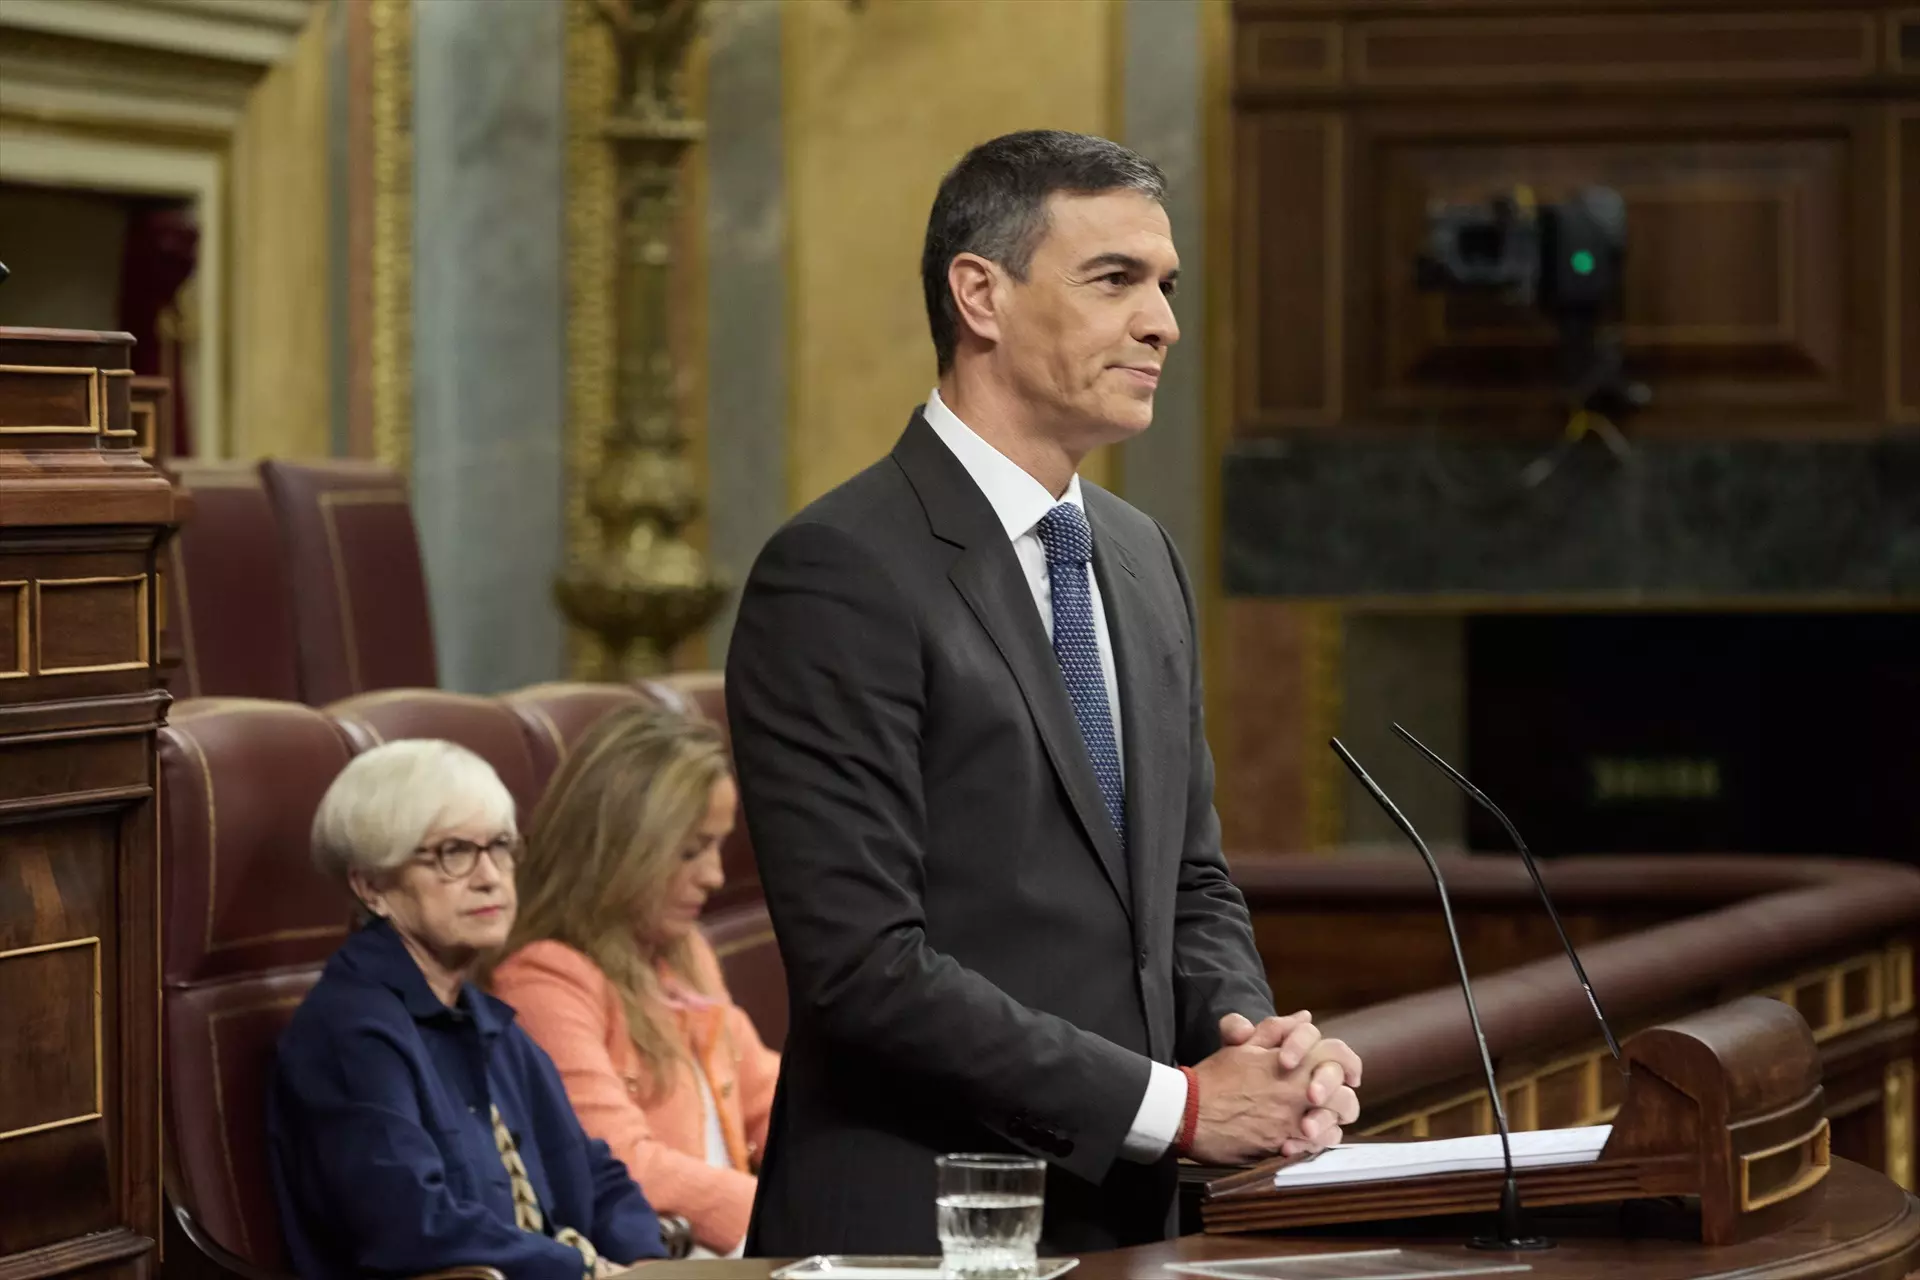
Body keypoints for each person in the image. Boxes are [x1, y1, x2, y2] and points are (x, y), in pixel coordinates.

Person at [725, 129, 1364, 1254]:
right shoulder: (838, 568)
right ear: (981, 294)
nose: (1163, 321)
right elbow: (863, 966)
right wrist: (1185, 1106)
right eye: (1116, 280)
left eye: (1166, 286)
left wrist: (1256, 1042)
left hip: (1133, 1223)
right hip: (917, 1223)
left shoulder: (1140, 555)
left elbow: (1190, 881)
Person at [267, 739, 668, 1280]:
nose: (489, 876)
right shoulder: (350, 1032)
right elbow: (412, 1225)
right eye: (453, 853)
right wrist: (583, 1268)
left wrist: (645, 1265)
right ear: (372, 887)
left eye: (500, 845)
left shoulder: (484, 1017)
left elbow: (594, 1172)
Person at [489, 707, 779, 1258]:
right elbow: (619, 1160)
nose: (715, 875)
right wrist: (778, 1209)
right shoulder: (543, 978)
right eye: (690, 851)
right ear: (618, 848)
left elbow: (771, 1097)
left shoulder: (683, 948)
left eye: (717, 845)